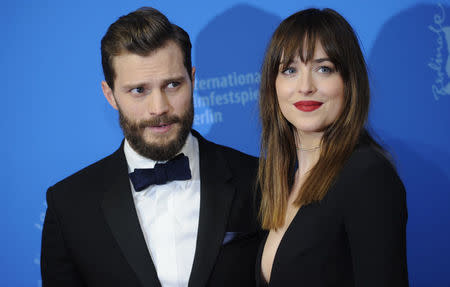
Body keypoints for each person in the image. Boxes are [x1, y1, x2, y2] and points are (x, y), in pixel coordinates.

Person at [41, 7, 260, 287]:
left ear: (193, 80)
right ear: (110, 95)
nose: (159, 108)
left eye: (172, 85)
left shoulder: (258, 180)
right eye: (138, 90)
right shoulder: (69, 205)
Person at [256, 8, 409, 286]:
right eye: (290, 70)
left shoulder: (366, 175)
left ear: (349, 82)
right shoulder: (280, 182)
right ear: (272, 85)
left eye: (323, 69)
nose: (305, 86)